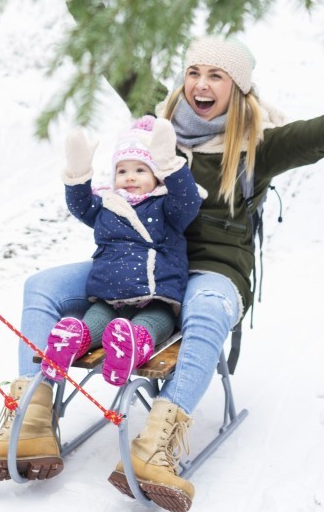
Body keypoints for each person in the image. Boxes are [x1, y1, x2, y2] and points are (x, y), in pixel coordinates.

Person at [0, 17, 324, 512]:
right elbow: (121, 59)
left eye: (216, 76)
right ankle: (31, 423)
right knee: (42, 286)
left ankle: (157, 441)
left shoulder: (258, 145)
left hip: (213, 270)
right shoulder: (158, 123)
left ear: (238, 88)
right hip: (140, 263)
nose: (201, 85)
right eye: (194, 72)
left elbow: (321, 134)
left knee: (206, 309)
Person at [41, 116, 203, 388]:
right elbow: (80, 205)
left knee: (154, 321)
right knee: (96, 319)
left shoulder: (166, 208)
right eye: (122, 170)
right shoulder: (107, 205)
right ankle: (72, 341)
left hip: (155, 295)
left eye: (141, 170)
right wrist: (79, 174)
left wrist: (170, 165)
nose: (130, 177)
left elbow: (189, 199)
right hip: (109, 297)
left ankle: (132, 346)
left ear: (157, 175)